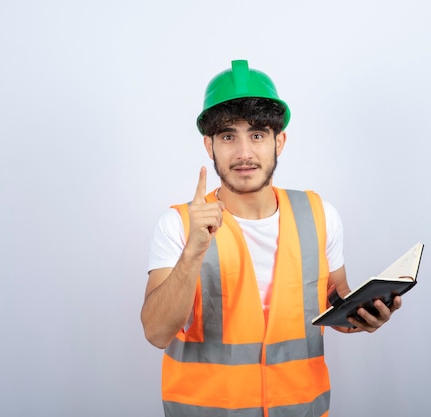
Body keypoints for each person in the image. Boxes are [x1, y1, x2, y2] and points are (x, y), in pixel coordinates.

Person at [141, 59, 402, 417]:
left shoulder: (319, 214)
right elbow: (156, 333)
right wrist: (193, 253)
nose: (244, 152)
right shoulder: (178, 225)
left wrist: (363, 317)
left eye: (258, 134)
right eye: (228, 136)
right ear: (209, 146)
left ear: (279, 141)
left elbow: (333, 303)